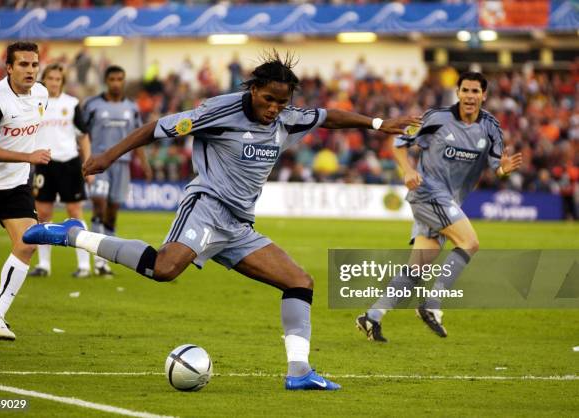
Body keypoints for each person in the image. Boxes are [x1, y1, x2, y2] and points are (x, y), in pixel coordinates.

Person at [24, 51, 419, 389]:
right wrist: (109, 155)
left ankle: (299, 372)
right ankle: (73, 235)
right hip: (207, 206)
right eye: (268, 100)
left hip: (239, 225)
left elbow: (328, 116)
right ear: (252, 91)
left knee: (299, 281)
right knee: (164, 270)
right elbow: (155, 128)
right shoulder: (218, 111)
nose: (274, 109)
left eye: (281, 103)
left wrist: (379, 125)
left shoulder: (287, 118)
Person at [356, 71, 523, 343]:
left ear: (484, 95)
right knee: (469, 242)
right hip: (427, 193)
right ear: (457, 92)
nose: (470, 96)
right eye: (465, 90)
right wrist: (408, 170)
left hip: (449, 201)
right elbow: (398, 143)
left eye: (475, 91)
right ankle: (432, 304)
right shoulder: (436, 118)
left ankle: (371, 317)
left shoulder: (491, 127)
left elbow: (497, 168)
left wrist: (503, 170)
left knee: (418, 267)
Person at [0, 42, 50, 341]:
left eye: (34, 64)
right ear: (9, 68)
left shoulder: (41, 94)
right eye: (24, 65)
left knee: (28, 243)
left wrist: (30, 160)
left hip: (15, 185)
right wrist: (29, 157)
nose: (30, 70)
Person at [81, 65, 151, 276]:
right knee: (99, 206)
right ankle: (99, 260)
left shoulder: (132, 107)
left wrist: (144, 165)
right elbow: (82, 135)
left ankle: (106, 258)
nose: (116, 83)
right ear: (106, 81)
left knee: (111, 214)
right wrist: (85, 161)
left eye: (120, 79)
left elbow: (138, 138)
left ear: (124, 81)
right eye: (112, 79)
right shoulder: (92, 105)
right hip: (99, 165)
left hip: (122, 165)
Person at [27, 63, 92, 278]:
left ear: (62, 82)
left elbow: (83, 136)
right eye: (50, 78)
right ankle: (44, 265)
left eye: (58, 79)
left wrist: (89, 165)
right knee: (43, 214)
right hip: (44, 164)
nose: (54, 82)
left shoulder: (71, 104)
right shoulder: (34, 103)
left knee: (74, 212)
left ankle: (84, 265)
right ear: (43, 80)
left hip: (69, 163)